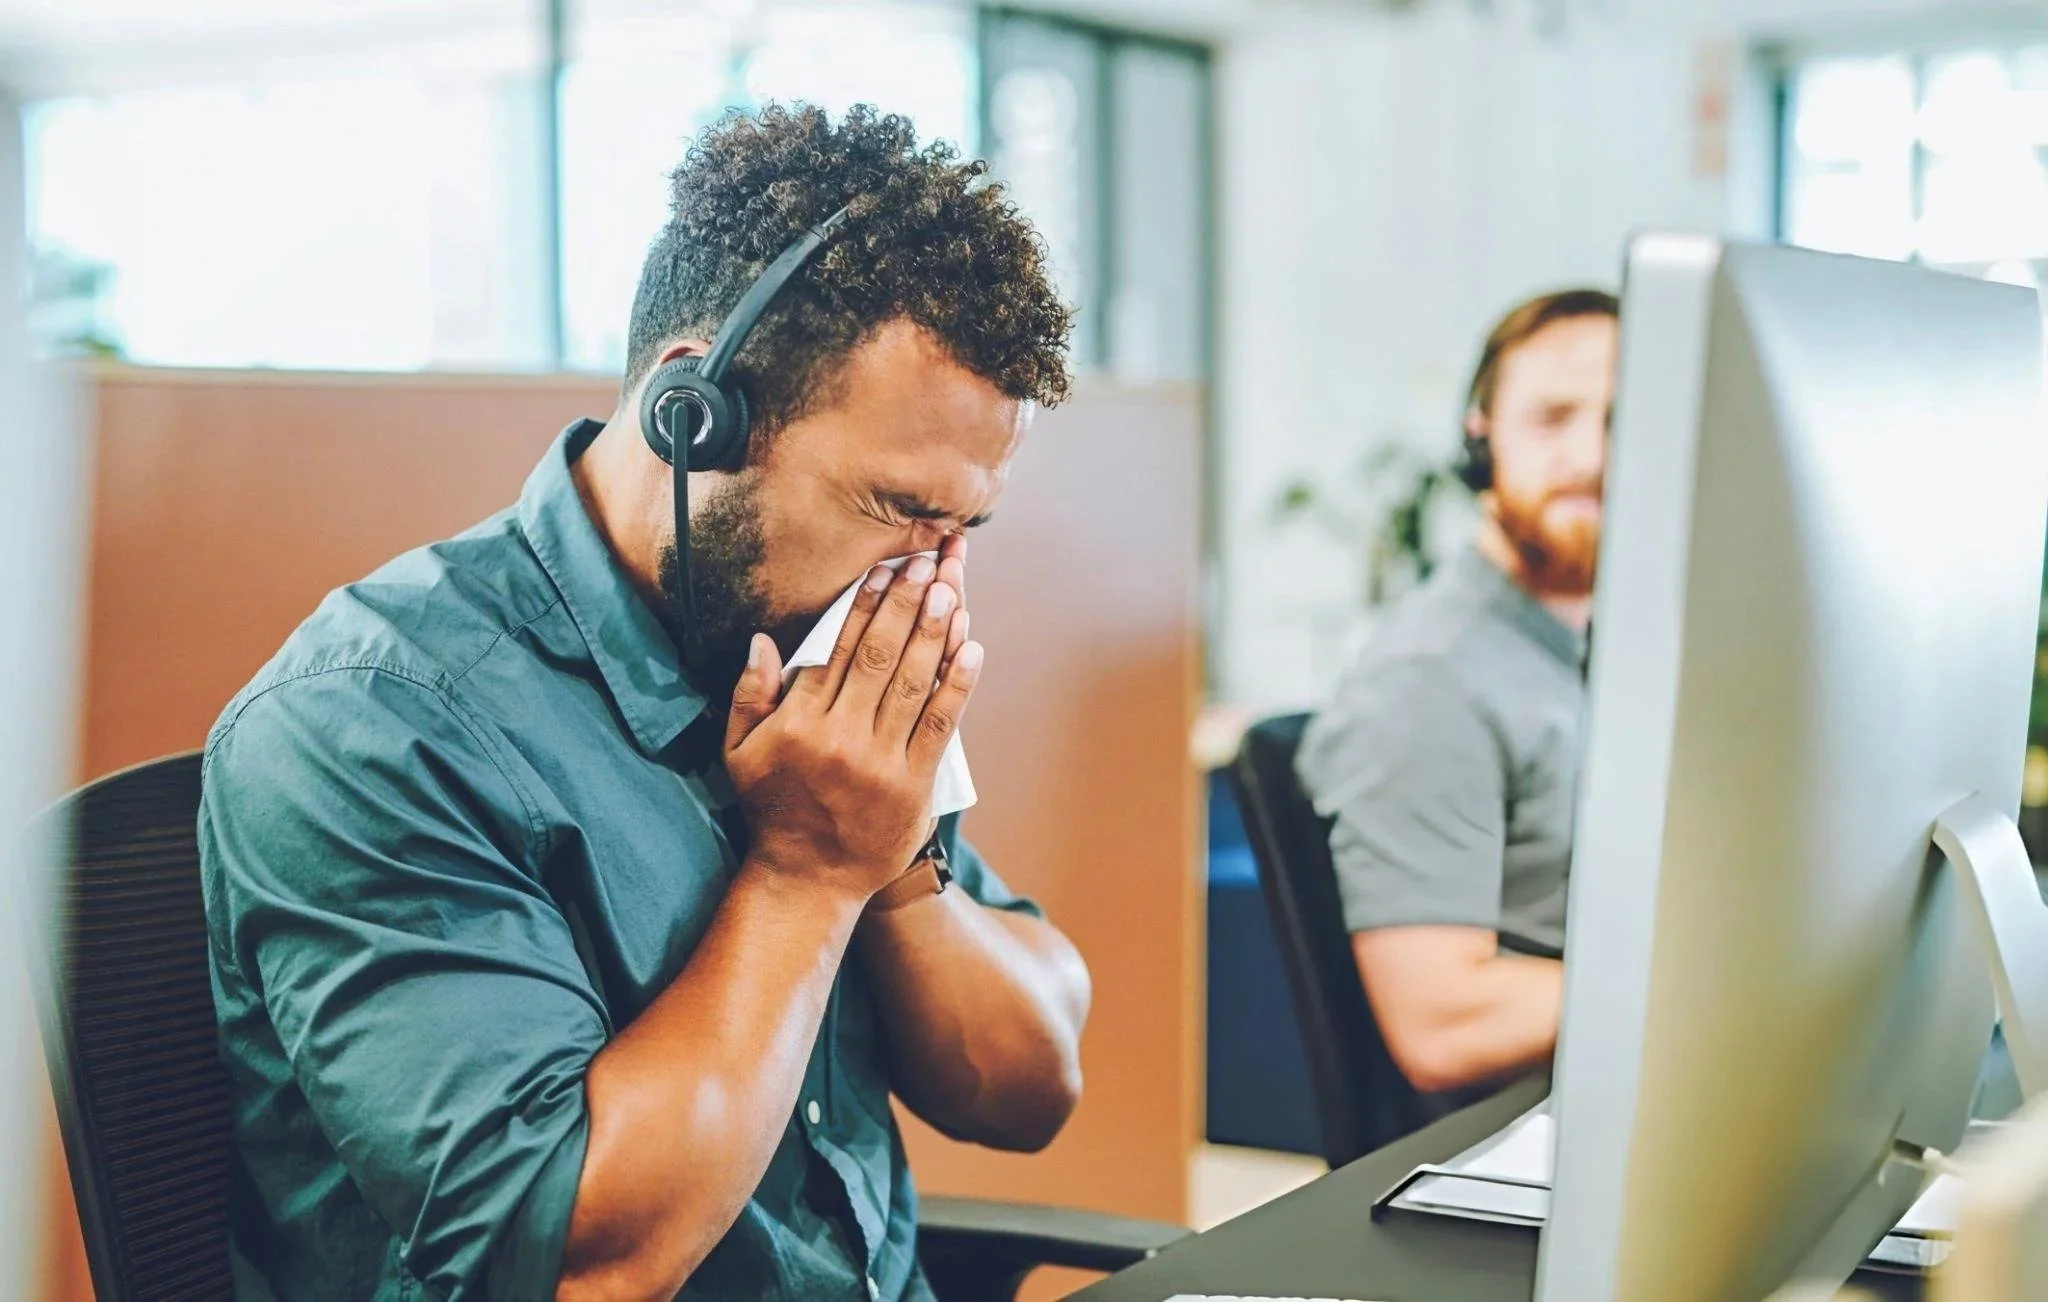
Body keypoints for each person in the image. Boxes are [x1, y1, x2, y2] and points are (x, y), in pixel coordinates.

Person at [198, 105, 1092, 1302]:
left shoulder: (810, 660)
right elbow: (579, 1264)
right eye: (896, 509)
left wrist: (893, 863)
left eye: (962, 526)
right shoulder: (369, 723)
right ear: (692, 416)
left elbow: (1030, 1086)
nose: (929, 581)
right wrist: (806, 875)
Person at [1295, 288, 1619, 1099]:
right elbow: (1442, 1018)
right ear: (1483, 440)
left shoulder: (1603, 651)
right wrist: (1719, 989)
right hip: (1532, 1160)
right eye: (1552, 419)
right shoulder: (1430, 679)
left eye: (1624, 423)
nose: (1592, 456)